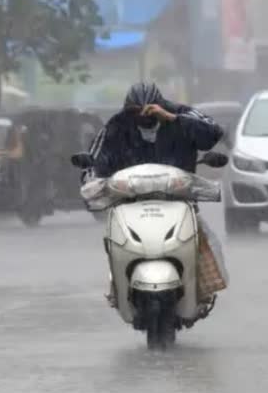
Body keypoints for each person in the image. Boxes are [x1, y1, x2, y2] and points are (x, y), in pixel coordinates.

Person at [85, 82, 228, 309]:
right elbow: (95, 161)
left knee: (204, 238)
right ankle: (119, 288)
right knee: (113, 239)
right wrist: (91, 185)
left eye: (150, 110)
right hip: (130, 202)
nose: (143, 116)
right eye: (136, 112)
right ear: (127, 110)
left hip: (178, 199)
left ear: (161, 105)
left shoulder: (180, 114)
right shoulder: (116, 126)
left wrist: (171, 118)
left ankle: (202, 291)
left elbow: (213, 134)